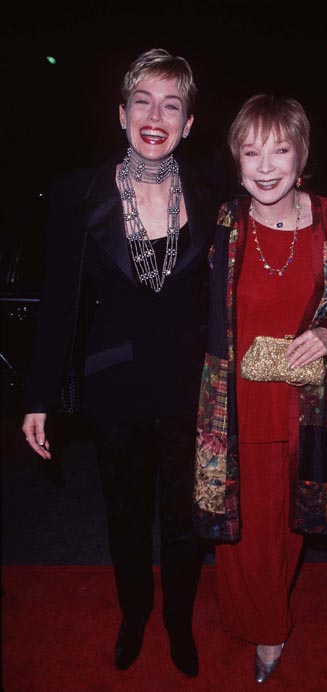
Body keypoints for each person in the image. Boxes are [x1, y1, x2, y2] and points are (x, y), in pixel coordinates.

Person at [21, 48, 225, 677]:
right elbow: (58, 301)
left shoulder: (216, 190)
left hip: (190, 387)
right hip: (113, 385)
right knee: (127, 516)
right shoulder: (76, 193)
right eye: (143, 101)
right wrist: (38, 395)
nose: (155, 115)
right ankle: (135, 615)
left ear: (189, 123)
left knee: (185, 520)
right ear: (121, 113)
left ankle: (178, 622)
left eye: (172, 104)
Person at [192, 94, 327, 683]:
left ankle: (261, 611)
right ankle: (267, 627)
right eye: (251, 151)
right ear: (236, 159)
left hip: (313, 406)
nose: (265, 165)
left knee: (292, 520)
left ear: (302, 157)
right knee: (243, 525)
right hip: (237, 407)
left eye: (279, 149)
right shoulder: (222, 221)